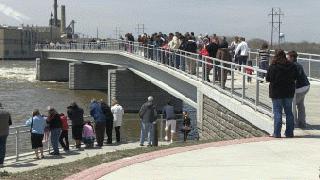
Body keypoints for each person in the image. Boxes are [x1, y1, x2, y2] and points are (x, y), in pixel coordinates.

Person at [266, 49, 298, 138]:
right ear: (284, 56)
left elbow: (268, 78)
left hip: (276, 92)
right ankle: (289, 133)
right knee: (289, 112)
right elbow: (296, 77)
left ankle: (277, 133)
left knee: (277, 112)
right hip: (289, 91)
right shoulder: (292, 65)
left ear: (275, 56)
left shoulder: (273, 66)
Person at [287, 51, 310, 128]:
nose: (287, 58)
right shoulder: (298, 65)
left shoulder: (293, 65)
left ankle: (294, 123)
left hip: (300, 88)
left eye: (288, 57)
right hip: (306, 86)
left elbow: (296, 78)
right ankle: (302, 123)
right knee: (300, 104)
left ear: (292, 57)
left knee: (292, 104)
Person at [0, 103, 12, 167]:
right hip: (5, 133)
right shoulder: (7, 112)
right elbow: (10, 123)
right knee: (3, 147)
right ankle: (1, 162)